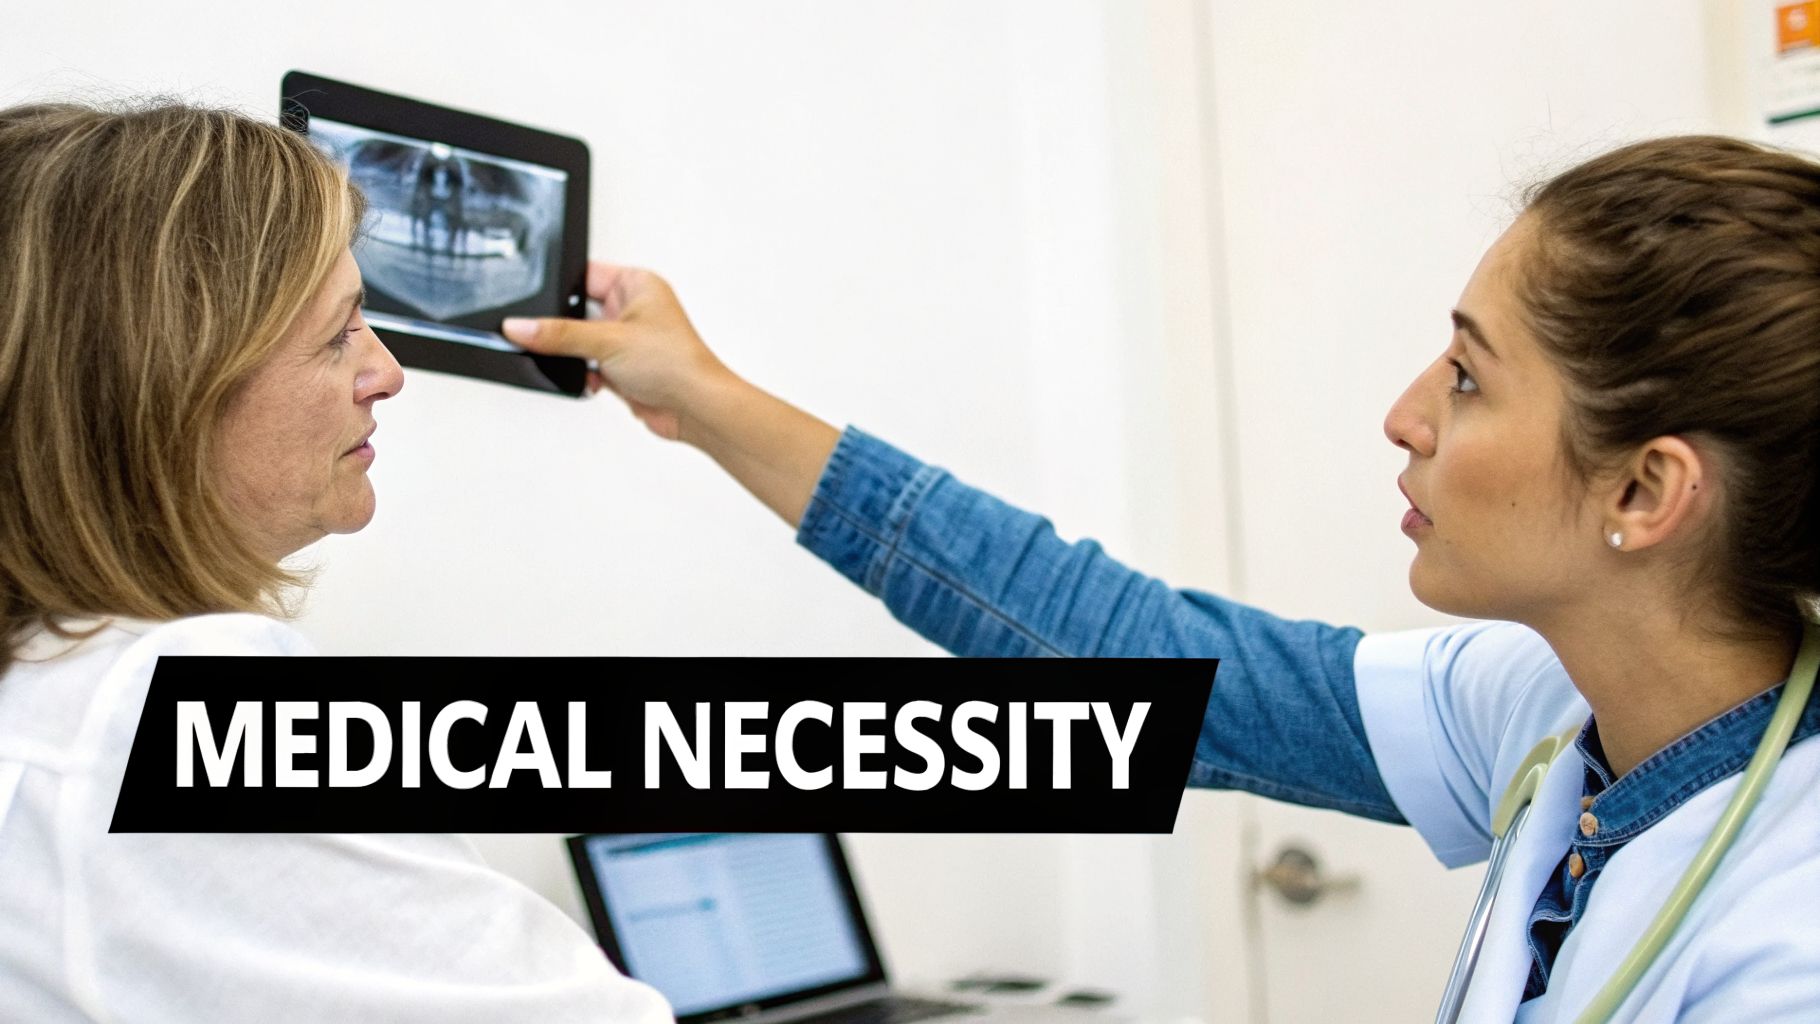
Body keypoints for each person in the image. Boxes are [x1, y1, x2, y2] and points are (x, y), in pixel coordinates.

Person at [502, 135, 1820, 1020]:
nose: (1407, 414)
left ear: (1644, 493)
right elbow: (1121, 650)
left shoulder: (1787, 933)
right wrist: (711, 400)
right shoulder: (1542, 707)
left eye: (1469, 377)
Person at [0, 102, 672, 1022]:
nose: (387, 372)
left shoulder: (42, 683)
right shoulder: (167, 701)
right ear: (169, 380)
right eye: (339, 332)